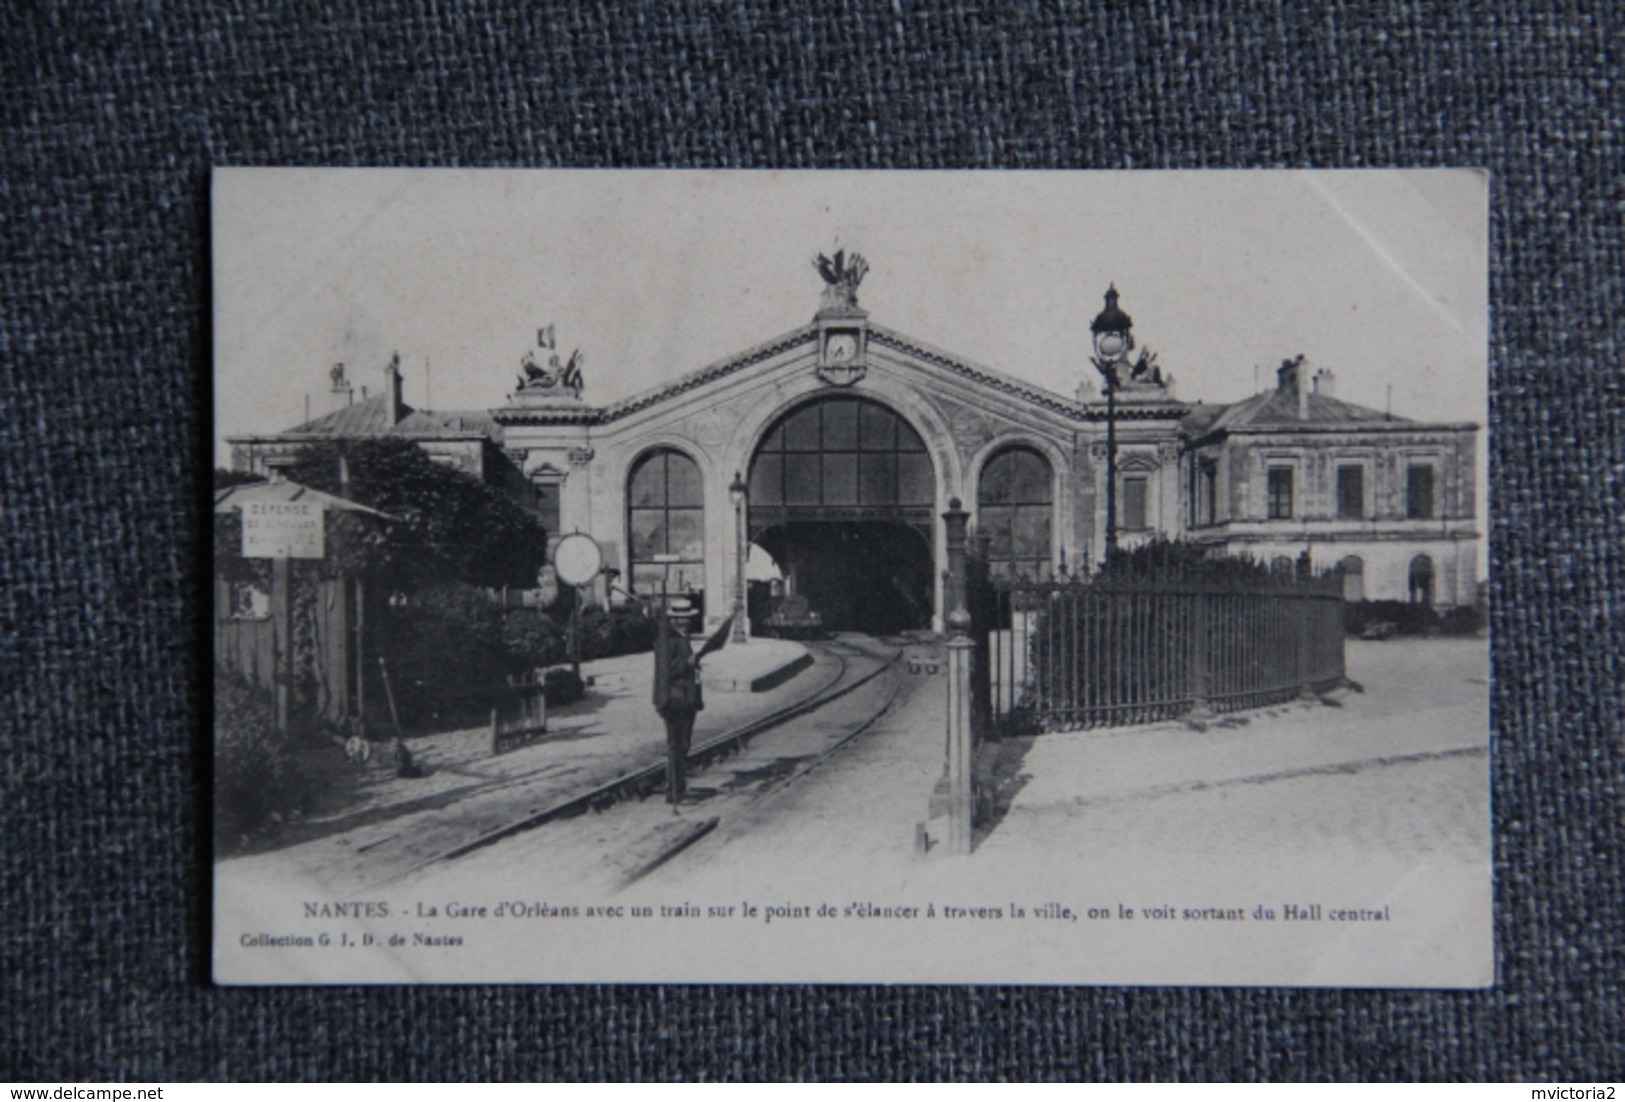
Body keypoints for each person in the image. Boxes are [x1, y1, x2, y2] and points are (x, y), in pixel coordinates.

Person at [654, 611, 703, 804]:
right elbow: (666, 671)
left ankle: (678, 788)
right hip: (674, 700)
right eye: (682, 618)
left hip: (685, 698)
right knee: (676, 746)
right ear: (674, 620)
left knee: (683, 745)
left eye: (688, 618)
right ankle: (674, 792)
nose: (686, 622)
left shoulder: (681, 637)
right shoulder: (668, 640)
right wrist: (688, 663)